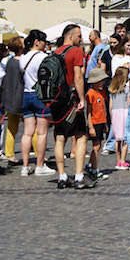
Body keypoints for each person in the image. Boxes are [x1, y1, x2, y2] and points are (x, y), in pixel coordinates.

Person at [48, 24, 93, 190]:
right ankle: (79, 176)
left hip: (56, 100)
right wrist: (82, 99)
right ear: (71, 36)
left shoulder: (55, 52)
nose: (81, 39)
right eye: (79, 36)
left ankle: (61, 176)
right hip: (71, 99)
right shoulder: (76, 51)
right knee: (81, 136)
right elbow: (78, 77)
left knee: (60, 137)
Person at [18, 30, 55, 177]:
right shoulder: (43, 57)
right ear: (37, 42)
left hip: (26, 94)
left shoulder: (23, 58)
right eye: (44, 41)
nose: (46, 44)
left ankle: (25, 166)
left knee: (27, 133)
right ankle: (40, 165)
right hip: (40, 95)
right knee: (42, 132)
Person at [1, 36, 25, 161]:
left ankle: (9, 153)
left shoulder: (10, 61)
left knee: (11, 127)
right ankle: (38, 153)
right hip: (21, 97)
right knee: (33, 127)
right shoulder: (22, 62)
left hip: (10, 97)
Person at [85, 67, 109, 180]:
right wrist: (90, 127)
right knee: (96, 146)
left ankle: (90, 165)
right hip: (94, 122)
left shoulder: (102, 92)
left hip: (101, 122)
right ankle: (94, 169)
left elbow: (103, 108)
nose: (102, 83)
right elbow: (88, 112)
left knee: (97, 146)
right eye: (99, 81)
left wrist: (105, 124)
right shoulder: (90, 94)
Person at [108, 67, 130, 170]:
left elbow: (110, 105)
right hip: (125, 112)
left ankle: (118, 160)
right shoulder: (126, 89)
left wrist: (111, 116)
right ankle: (123, 160)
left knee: (117, 139)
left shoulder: (112, 89)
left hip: (115, 113)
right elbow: (128, 103)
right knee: (125, 139)